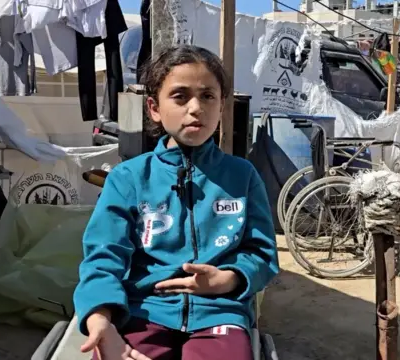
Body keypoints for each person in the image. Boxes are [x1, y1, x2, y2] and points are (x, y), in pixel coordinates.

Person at [73, 45, 279, 360]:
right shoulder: (128, 178)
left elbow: (261, 253)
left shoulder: (243, 176)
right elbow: (102, 257)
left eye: (208, 96)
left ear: (222, 105)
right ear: (154, 108)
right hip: (144, 311)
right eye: (180, 96)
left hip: (220, 314)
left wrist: (227, 279)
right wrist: (100, 317)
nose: (195, 108)